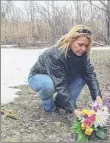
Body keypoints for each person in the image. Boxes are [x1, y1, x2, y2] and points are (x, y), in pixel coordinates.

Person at [28, 25, 103, 118]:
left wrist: (97, 97)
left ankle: (62, 103)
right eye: (80, 44)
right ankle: (49, 107)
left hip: (61, 76)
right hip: (39, 77)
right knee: (49, 84)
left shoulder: (83, 54)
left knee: (83, 77)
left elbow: (90, 74)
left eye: (86, 45)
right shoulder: (54, 54)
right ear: (71, 40)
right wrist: (75, 109)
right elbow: (60, 84)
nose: (83, 48)